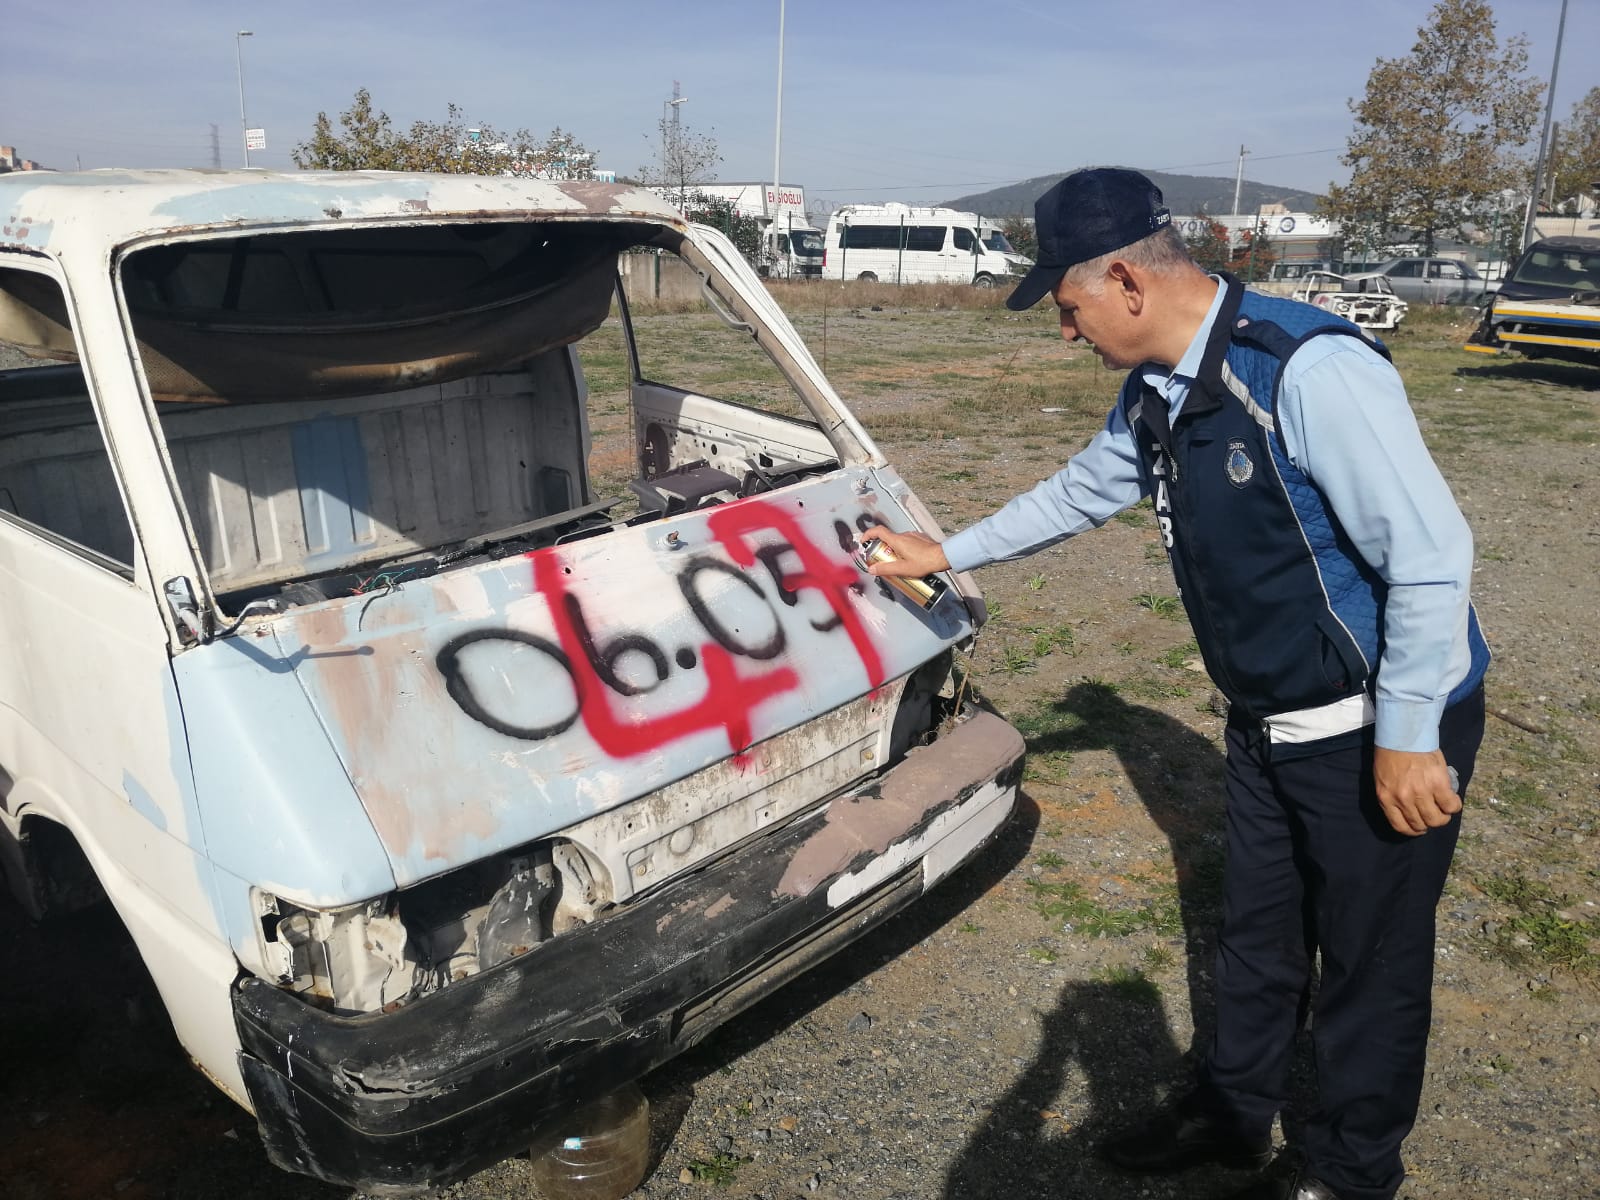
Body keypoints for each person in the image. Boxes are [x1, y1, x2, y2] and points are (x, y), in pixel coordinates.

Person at [861, 167, 1488, 1200]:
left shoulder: (1303, 370)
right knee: (1255, 932)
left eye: (1067, 309)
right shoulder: (1154, 391)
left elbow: (1428, 556)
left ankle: (1346, 1171)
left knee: (1369, 967)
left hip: (1378, 717)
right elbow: (1081, 491)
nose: (1066, 332)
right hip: (1266, 714)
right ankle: (1232, 1114)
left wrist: (1410, 733)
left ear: (1125, 281)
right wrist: (948, 551)